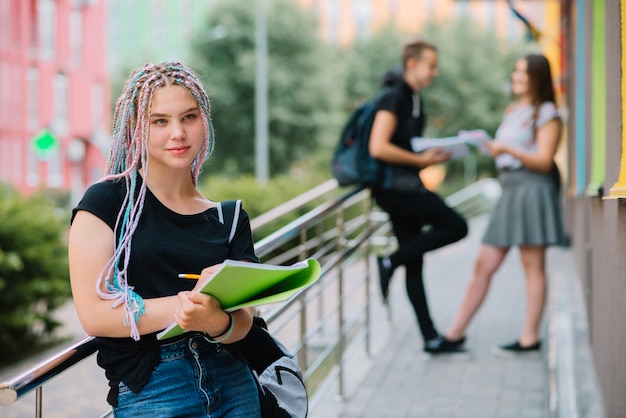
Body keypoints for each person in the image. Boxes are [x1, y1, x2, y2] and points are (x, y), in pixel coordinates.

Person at [68, 62, 262, 416]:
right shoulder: (107, 203)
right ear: (136, 127)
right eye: (160, 121)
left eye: (189, 117)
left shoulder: (229, 218)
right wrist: (190, 306)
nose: (178, 133)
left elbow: (243, 323)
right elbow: (94, 315)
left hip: (235, 383)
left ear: (204, 121)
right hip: (154, 389)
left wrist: (217, 322)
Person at [443, 53, 563, 356]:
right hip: (509, 189)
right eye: (516, 71)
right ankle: (454, 334)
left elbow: (544, 160)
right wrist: (490, 148)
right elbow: (509, 153)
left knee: (532, 265)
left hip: (532, 189)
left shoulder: (548, 113)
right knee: (484, 264)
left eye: (524, 72)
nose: (517, 76)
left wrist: (506, 148)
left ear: (538, 77)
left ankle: (529, 337)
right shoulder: (513, 110)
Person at [368, 37, 469, 354]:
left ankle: (430, 338)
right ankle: (389, 260)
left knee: (415, 261)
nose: (434, 73)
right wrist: (421, 161)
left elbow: (405, 143)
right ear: (412, 64)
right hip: (395, 190)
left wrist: (431, 153)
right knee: (457, 226)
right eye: (431, 66)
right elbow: (378, 146)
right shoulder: (393, 95)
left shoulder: (412, 98)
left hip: (405, 186)